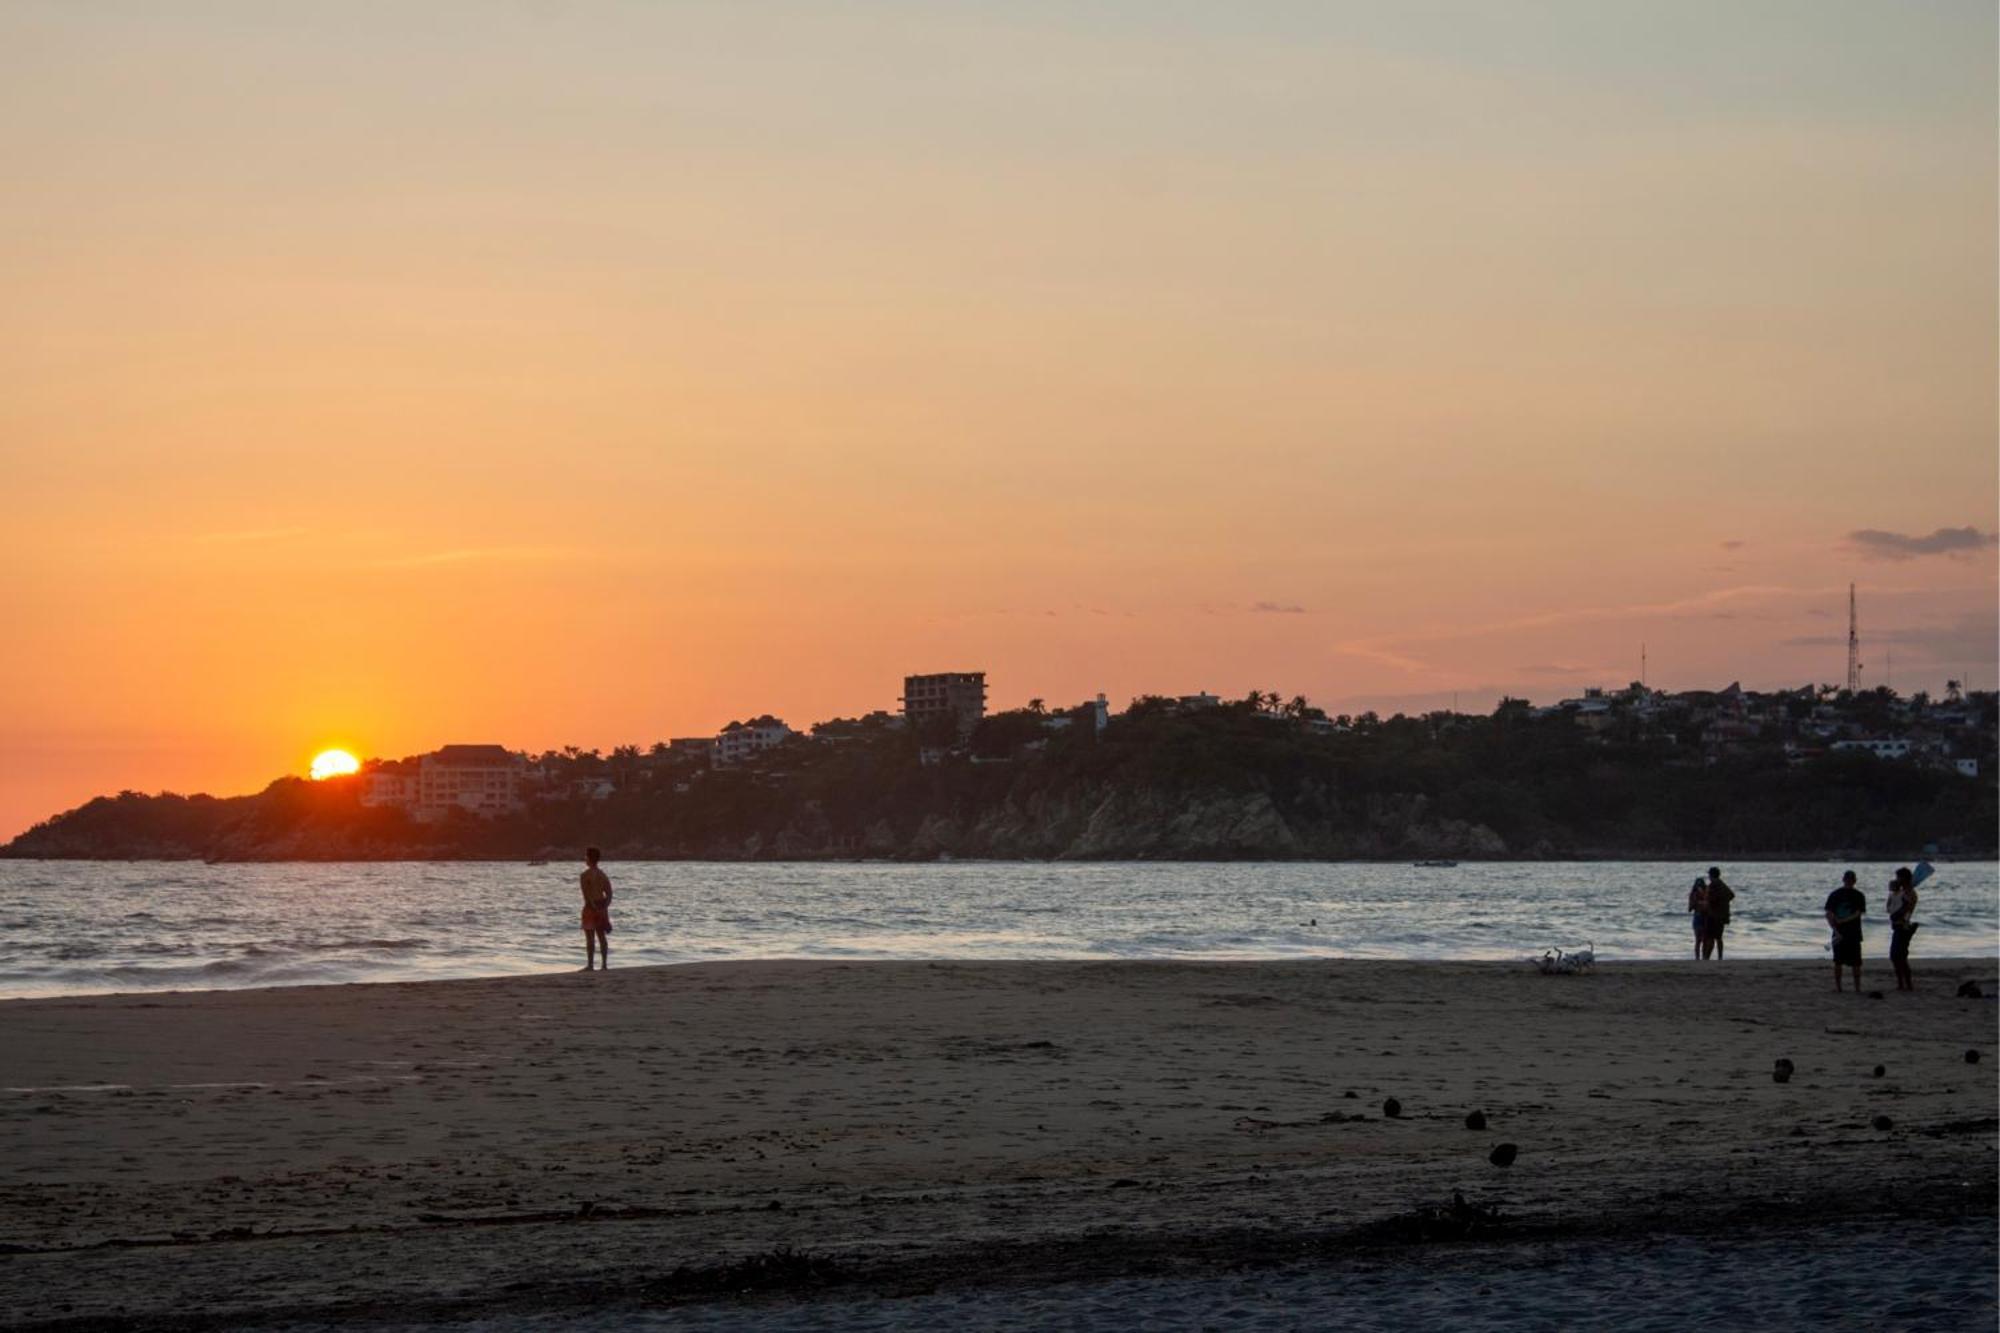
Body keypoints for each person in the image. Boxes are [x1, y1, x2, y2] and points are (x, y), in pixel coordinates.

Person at [1824, 870, 1866, 993]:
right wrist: (1837, 928)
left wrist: (1839, 924)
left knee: (1843, 961)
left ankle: (1842, 988)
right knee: (1850, 962)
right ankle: (1854, 988)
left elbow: (1829, 914)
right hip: (1847, 932)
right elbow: (1829, 913)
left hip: (1846, 932)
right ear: (1855, 880)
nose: (1849, 882)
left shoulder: (1838, 894)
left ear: (1844, 879)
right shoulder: (1857, 895)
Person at [1886, 866, 1920, 992]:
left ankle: (1907, 984)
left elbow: (1908, 906)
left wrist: (1897, 914)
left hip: (1903, 926)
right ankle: (1902, 983)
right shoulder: (1903, 891)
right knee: (1897, 956)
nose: (1897, 879)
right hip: (1898, 925)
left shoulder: (1910, 892)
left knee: (1898, 956)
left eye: (1898, 877)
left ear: (1903, 878)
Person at [580, 846, 613, 971]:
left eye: (585, 857)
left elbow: (586, 894)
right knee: (601, 937)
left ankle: (590, 965)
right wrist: (604, 906)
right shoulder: (602, 875)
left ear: (588, 858)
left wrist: (593, 906)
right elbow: (609, 893)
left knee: (590, 938)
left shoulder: (584, 875)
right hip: (601, 907)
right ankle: (604, 965)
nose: (585, 859)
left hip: (590, 908)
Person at [1703, 867, 1735, 960]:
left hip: (1713, 915)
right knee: (1719, 938)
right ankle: (1720, 957)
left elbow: (1711, 899)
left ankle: (1707, 957)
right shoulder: (1722, 884)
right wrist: (1723, 903)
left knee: (1710, 937)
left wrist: (1714, 903)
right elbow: (1731, 895)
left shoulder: (1713, 885)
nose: (1708, 877)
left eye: (1709, 875)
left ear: (1711, 875)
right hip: (1722, 915)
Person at [1686, 878, 1709, 959]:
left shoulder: (1707, 893)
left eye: (1701, 885)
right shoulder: (1693, 894)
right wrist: (1695, 902)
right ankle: (1697, 958)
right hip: (1698, 917)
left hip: (1705, 918)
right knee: (1698, 940)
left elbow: (1709, 905)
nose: (1699, 887)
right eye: (1698, 885)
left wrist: (1703, 898)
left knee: (1705, 940)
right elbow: (1689, 909)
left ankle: (1704, 958)